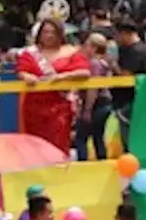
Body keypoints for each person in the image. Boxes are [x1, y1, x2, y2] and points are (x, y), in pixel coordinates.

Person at [17, 8, 91, 153]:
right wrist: (27, 77)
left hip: (59, 106)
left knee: (58, 144)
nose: (49, 36)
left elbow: (85, 72)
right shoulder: (30, 53)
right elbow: (21, 71)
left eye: (53, 32)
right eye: (45, 32)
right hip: (34, 107)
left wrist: (61, 77)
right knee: (35, 145)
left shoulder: (71, 51)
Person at [112, 19, 146, 148]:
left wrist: (113, 65)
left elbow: (126, 75)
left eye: (118, 35)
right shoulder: (136, 49)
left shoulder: (136, 51)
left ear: (125, 33)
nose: (116, 38)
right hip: (133, 99)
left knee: (129, 136)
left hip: (131, 100)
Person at [75, 33, 114, 160]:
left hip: (96, 104)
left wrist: (87, 110)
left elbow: (93, 88)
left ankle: (82, 167)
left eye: (87, 46)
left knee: (81, 138)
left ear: (94, 48)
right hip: (106, 103)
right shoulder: (106, 63)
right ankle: (102, 163)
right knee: (98, 137)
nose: (84, 49)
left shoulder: (94, 64)